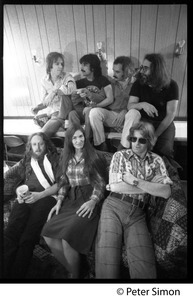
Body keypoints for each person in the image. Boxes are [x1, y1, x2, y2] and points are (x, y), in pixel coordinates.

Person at [95, 121, 173, 279]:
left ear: (149, 141)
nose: (136, 143)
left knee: (144, 266)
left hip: (138, 214)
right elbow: (115, 187)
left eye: (142, 140)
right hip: (113, 206)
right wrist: (151, 187)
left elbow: (165, 192)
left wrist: (135, 181)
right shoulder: (120, 156)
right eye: (133, 139)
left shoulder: (156, 161)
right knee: (107, 262)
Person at [41, 124, 107, 278]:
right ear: (69, 140)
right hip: (71, 199)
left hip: (88, 197)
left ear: (85, 137)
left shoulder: (94, 156)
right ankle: (75, 270)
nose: (78, 140)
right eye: (74, 138)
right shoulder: (66, 157)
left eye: (81, 136)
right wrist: (59, 200)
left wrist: (93, 201)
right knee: (47, 234)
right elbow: (64, 182)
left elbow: (100, 183)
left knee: (67, 239)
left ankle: (75, 277)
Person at [4, 132, 60, 278]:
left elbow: (61, 184)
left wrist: (40, 195)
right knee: (11, 232)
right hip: (26, 197)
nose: (38, 147)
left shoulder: (55, 159)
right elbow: (20, 181)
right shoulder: (27, 160)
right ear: (30, 146)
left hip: (46, 197)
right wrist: (17, 193)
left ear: (46, 144)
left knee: (27, 238)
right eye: (34, 144)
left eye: (40, 143)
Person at [118, 53, 179, 158]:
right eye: (142, 67)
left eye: (145, 68)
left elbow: (170, 114)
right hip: (144, 121)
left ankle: (163, 170)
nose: (142, 71)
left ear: (156, 70)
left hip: (163, 122)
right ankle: (124, 159)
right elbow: (130, 106)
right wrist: (142, 104)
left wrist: (155, 135)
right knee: (140, 146)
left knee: (165, 149)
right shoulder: (139, 83)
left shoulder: (172, 85)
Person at [89, 56, 135, 151]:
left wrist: (125, 111)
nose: (114, 74)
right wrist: (90, 95)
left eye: (117, 72)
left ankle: (123, 147)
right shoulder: (110, 83)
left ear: (127, 71)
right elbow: (100, 97)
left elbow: (138, 103)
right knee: (94, 112)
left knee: (134, 113)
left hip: (128, 118)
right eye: (113, 71)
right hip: (112, 116)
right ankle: (101, 145)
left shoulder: (136, 85)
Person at [31, 52, 76, 137]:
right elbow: (45, 101)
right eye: (57, 64)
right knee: (42, 134)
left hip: (67, 111)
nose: (61, 66)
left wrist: (54, 92)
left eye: (62, 64)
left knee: (43, 133)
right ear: (50, 65)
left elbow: (72, 88)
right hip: (54, 113)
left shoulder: (67, 76)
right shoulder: (44, 81)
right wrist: (37, 107)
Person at [68, 53, 113, 139]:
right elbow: (68, 89)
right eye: (81, 65)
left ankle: (87, 141)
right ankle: (75, 140)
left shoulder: (103, 80)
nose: (81, 68)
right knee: (72, 113)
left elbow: (110, 99)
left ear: (93, 67)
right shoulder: (79, 82)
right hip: (83, 111)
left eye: (85, 65)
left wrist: (94, 106)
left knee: (90, 112)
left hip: (97, 112)